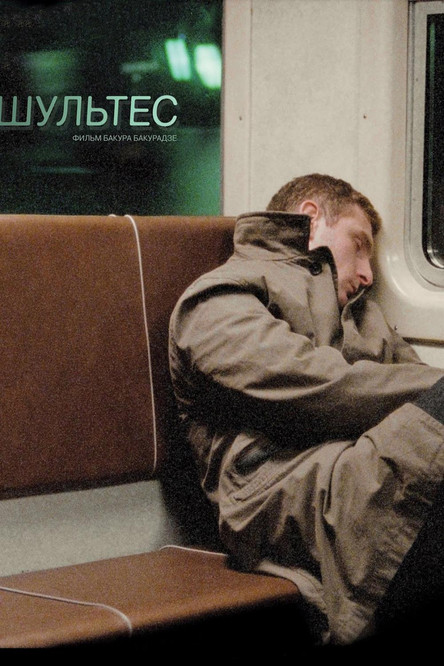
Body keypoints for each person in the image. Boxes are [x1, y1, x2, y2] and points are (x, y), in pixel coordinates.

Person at [168, 173, 444, 648]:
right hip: (277, 490)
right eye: (359, 246)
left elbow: (418, 388)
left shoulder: (364, 317)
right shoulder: (218, 298)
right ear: (311, 218)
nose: (368, 275)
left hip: (358, 464)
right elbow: (316, 387)